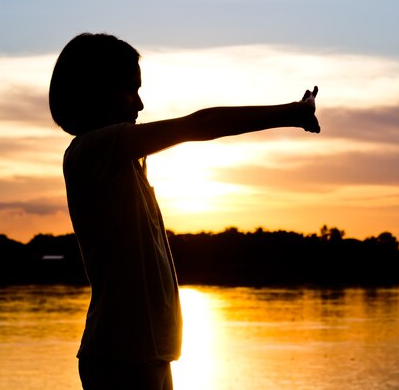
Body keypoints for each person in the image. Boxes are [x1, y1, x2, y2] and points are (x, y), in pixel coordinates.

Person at [48, 33, 320, 390]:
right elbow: (198, 125)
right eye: (131, 89)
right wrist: (290, 113)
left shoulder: (123, 161)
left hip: (149, 352)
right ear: (95, 90)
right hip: (120, 356)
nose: (140, 104)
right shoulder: (95, 148)